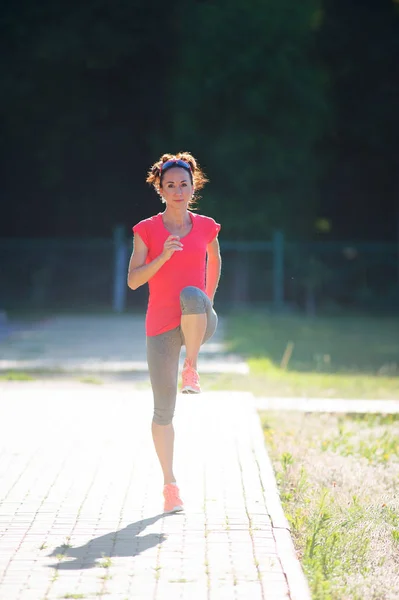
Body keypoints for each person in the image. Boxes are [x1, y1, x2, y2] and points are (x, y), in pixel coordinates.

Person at [127, 152, 222, 514]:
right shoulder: (146, 230)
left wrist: (208, 300)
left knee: (191, 295)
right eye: (171, 186)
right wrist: (162, 257)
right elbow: (134, 281)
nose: (178, 191)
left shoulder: (207, 226)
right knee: (163, 411)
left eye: (185, 184)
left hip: (198, 318)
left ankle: (192, 366)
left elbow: (214, 260)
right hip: (162, 327)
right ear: (161, 189)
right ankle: (170, 484)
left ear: (193, 186)